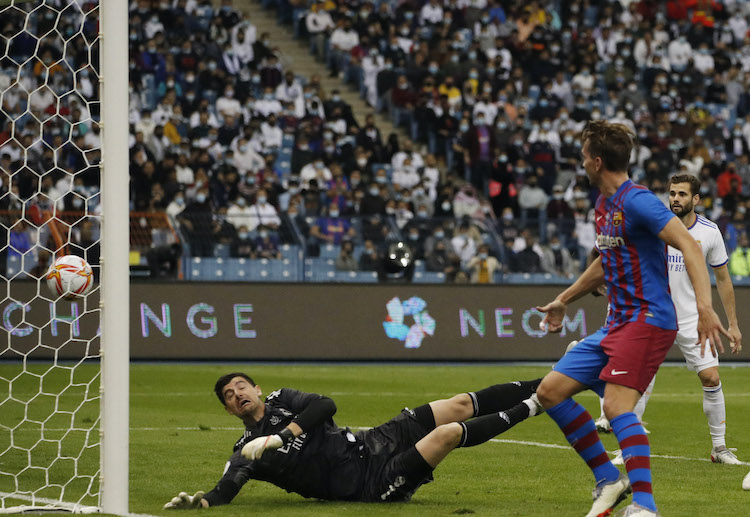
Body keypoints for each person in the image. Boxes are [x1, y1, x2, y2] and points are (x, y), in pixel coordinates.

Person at [534, 121, 731, 517]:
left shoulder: (639, 201)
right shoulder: (604, 206)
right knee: (550, 392)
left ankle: (644, 506)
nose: (582, 161)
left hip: (649, 320)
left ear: (597, 161)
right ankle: (609, 480)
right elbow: (605, 262)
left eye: (585, 155)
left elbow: (691, 249)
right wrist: (564, 299)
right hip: (618, 323)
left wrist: (706, 309)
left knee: (617, 407)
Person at [163, 373, 544, 508]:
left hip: (371, 441)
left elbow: (325, 405)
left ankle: (551, 381)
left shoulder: (281, 400)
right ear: (230, 411)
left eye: (241, 386)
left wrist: (284, 436)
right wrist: (204, 502)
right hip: (369, 484)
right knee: (445, 435)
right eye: (229, 395)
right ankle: (537, 405)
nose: (237, 394)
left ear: (257, 389)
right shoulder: (248, 450)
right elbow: (228, 483)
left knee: (459, 404)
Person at [594, 174, 743, 465]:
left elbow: (723, 279)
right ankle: (628, 450)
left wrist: (733, 323)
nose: (675, 198)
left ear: (696, 200)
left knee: (711, 377)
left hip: (691, 318)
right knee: (638, 380)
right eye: (673, 193)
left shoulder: (710, 233)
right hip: (653, 313)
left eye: (683, 194)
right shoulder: (653, 225)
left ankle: (719, 449)